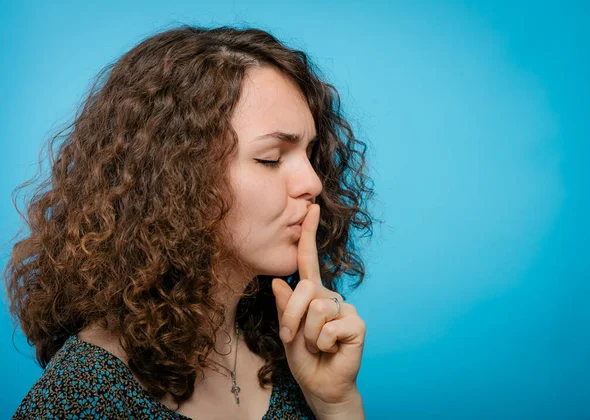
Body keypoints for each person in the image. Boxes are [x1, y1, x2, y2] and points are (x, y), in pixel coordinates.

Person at [4, 24, 375, 419]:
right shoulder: (77, 400)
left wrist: (337, 405)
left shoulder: (288, 350)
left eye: (309, 152)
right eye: (271, 158)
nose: (313, 182)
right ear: (177, 176)